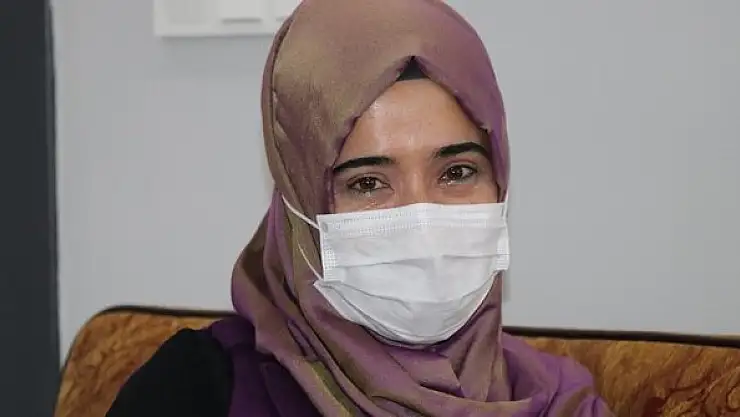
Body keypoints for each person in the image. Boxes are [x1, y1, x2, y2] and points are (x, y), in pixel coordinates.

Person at [107, 0, 614, 416]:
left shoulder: (560, 402)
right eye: (368, 183)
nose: (420, 220)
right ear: (301, 205)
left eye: (456, 173)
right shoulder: (197, 393)